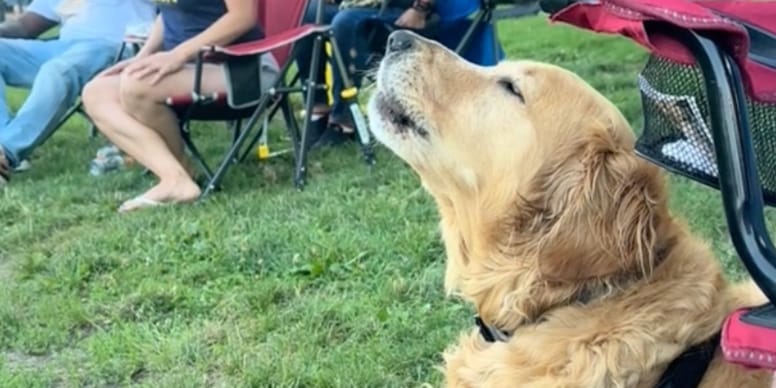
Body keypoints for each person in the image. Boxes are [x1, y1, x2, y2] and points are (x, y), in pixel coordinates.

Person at [81, 0, 280, 213]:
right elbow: (169, 14)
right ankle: (177, 175)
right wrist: (141, 58)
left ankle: (175, 180)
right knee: (96, 93)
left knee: (137, 86)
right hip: (189, 69)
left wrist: (178, 54)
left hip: (244, 71)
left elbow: (243, 17)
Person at [0, 0, 157, 186]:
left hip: (115, 47)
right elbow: (25, 26)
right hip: (60, 47)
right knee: (55, 65)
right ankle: (3, 146)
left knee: (57, 70)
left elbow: (173, 14)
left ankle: (8, 150)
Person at [295, 0, 436, 148]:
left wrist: (420, 9)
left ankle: (344, 119)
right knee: (306, 13)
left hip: (401, 9)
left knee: (344, 22)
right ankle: (318, 111)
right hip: (358, 5)